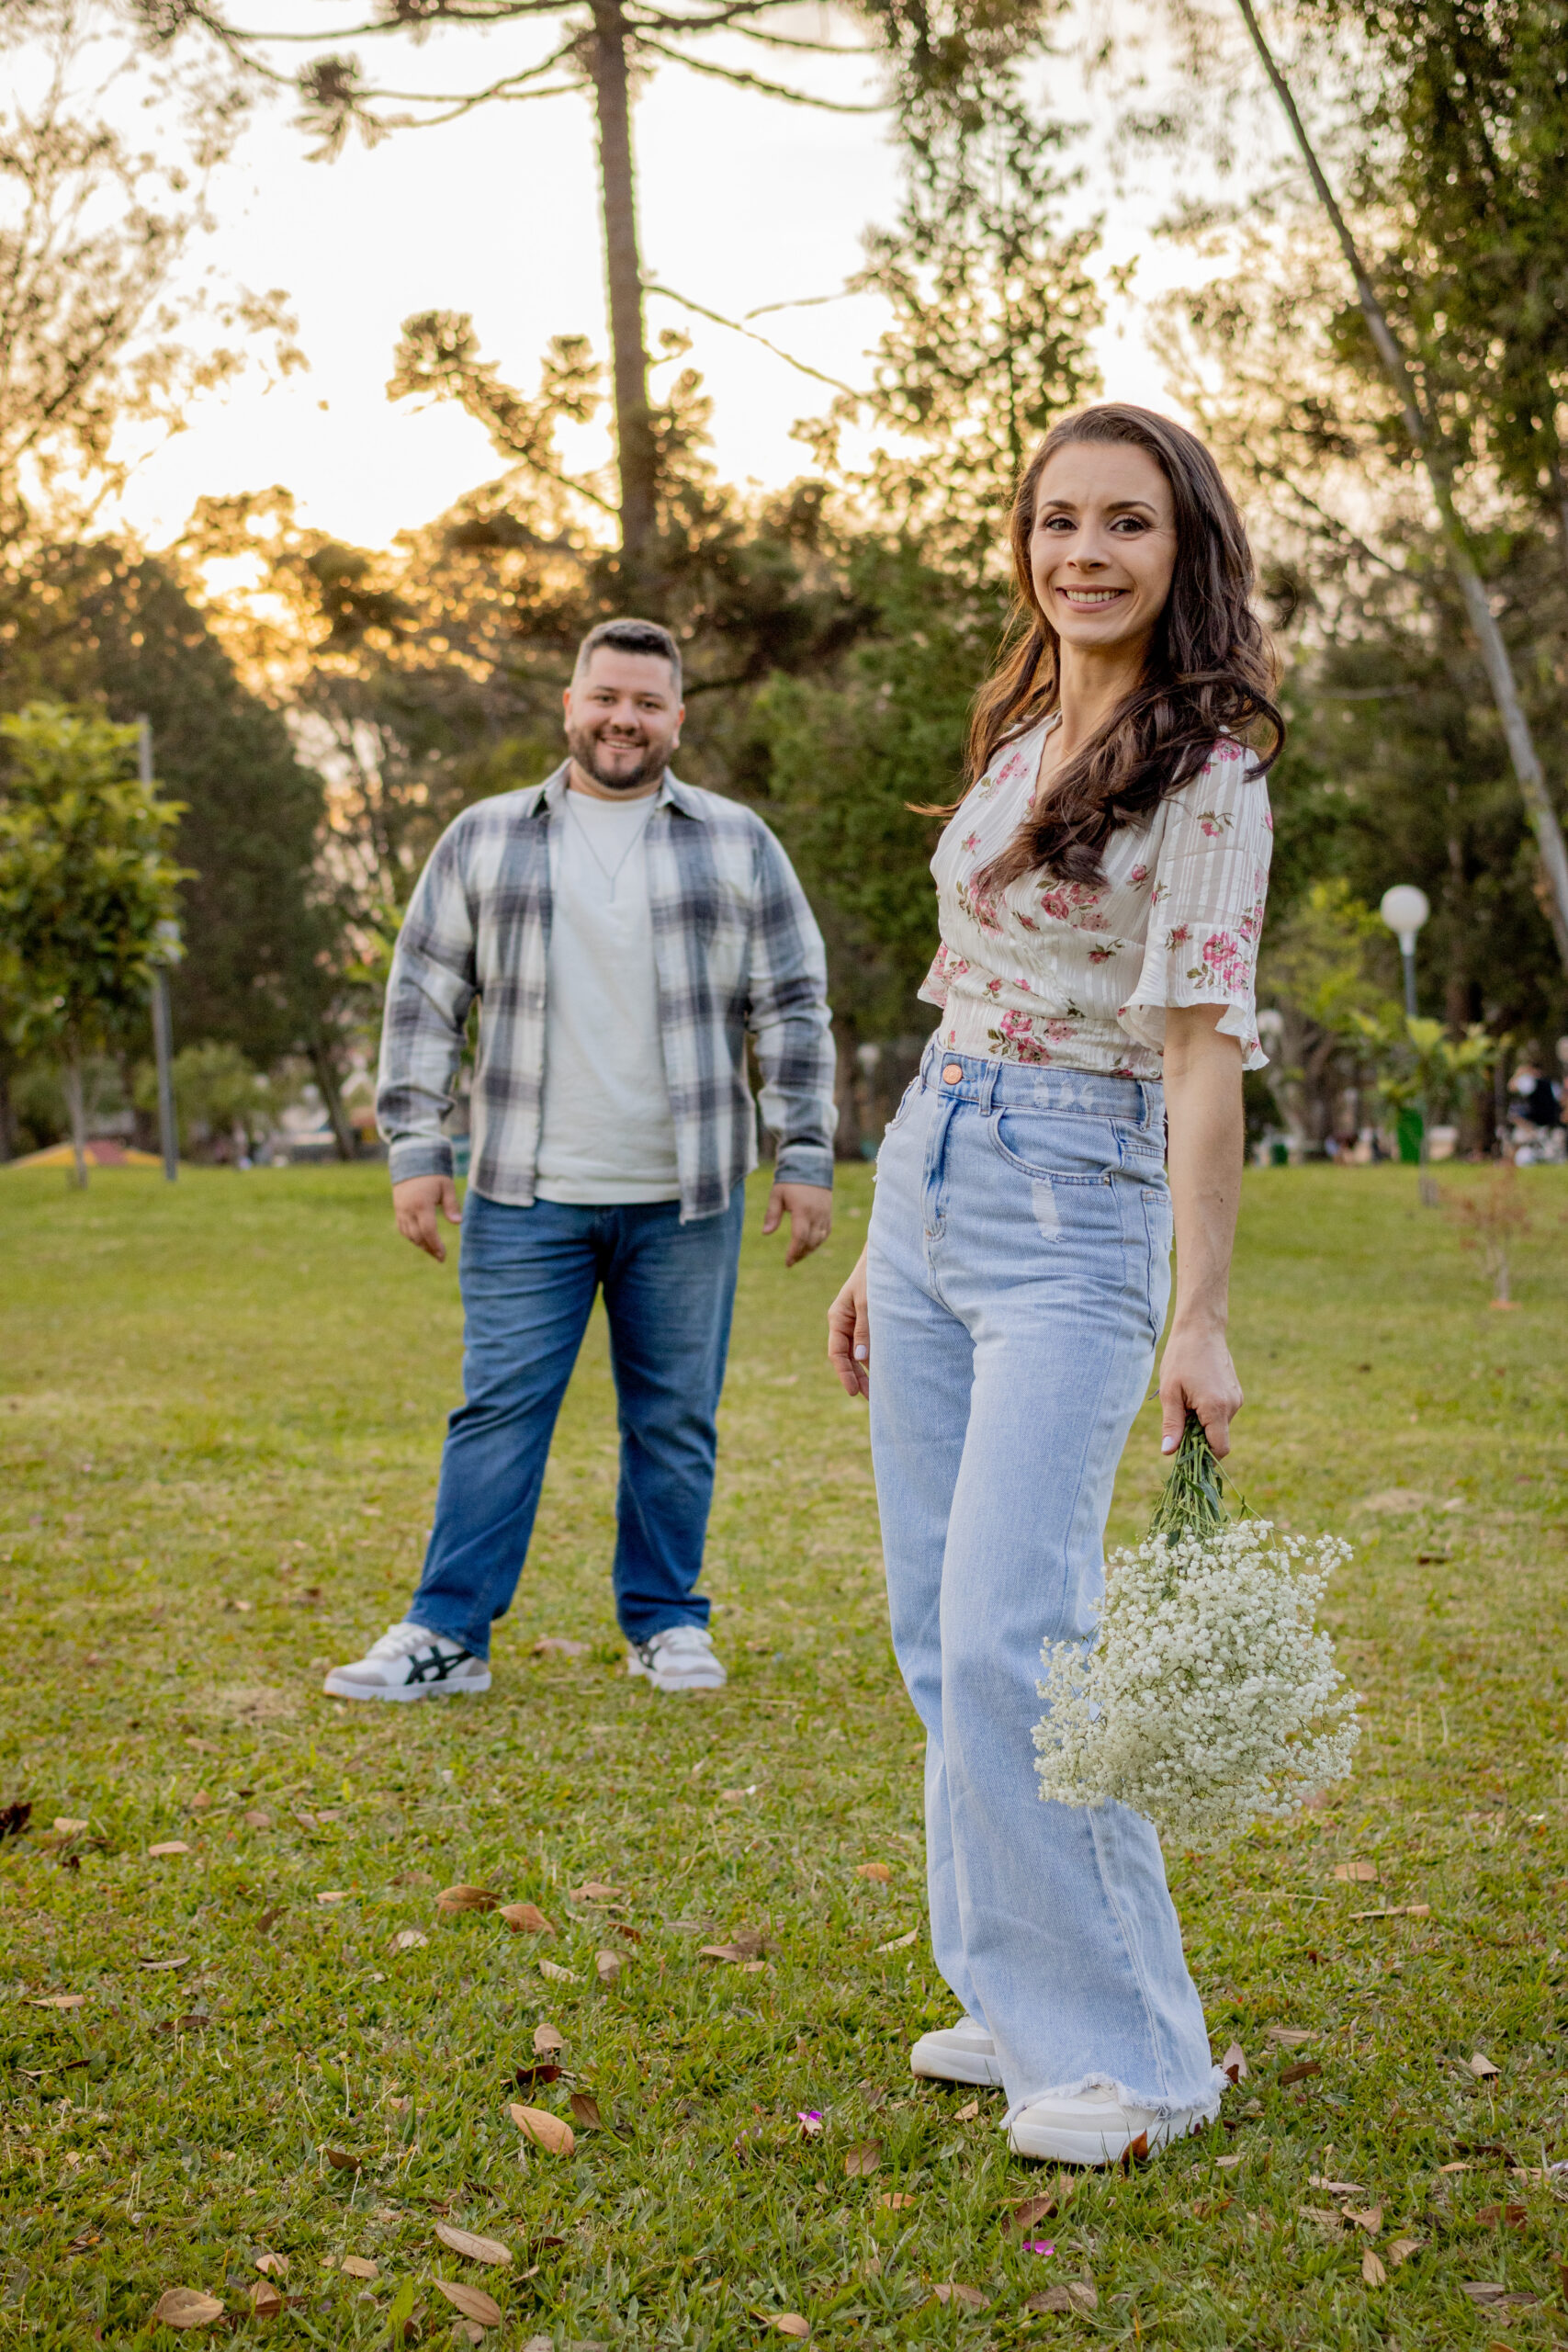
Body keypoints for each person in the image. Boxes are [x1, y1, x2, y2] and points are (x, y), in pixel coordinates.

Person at [828, 405, 1281, 2166]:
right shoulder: (1024, 729)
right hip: (935, 1172)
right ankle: (1016, 1991)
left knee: (1017, 1632)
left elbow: (1199, 1058)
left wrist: (1199, 1314)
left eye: (1126, 524)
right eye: (1057, 521)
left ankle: (1137, 2055)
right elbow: (963, 986)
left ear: (1184, 550)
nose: (1083, 553)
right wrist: (886, 1239)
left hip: (1076, 1201)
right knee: (936, 1629)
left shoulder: (1208, 771)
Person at [326, 617, 837, 1703]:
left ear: (678, 718)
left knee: (675, 1419)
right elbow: (423, 995)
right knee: (499, 1411)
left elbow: (792, 1003)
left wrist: (805, 1151)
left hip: (686, 1196)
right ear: (570, 705)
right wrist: (416, 1146)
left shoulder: (738, 841)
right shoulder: (484, 836)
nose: (623, 719)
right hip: (524, 1193)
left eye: (648, 703)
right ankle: (448, 1633)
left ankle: (666, 1621)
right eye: (606, 697)